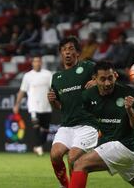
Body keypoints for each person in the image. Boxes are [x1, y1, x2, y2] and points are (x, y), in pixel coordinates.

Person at [69, 61, 134, 188]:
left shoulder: (127, 92)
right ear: (94, 79)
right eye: (102, 79)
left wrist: (130, 110)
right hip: (117, 149)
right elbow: (77, 113)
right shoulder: (88, 95)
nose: (107, 83)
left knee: (80, 164)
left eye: (110, 78)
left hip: (124, 146)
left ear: (115, 75)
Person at [48, 36, 97, 188]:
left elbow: (109, 76)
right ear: (60, 54)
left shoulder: (88, 67)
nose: (67, 52)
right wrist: (53, 101)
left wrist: (97, 81)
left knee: (73, 158)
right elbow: (61, 106)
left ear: (77, 53)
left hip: (87, 124)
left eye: (70, 49)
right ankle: (66, 186)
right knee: (55, 155)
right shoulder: (56, 78)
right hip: (67, 125)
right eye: (63, 50)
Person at [13, 55, 53, 156]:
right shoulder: (28, 76)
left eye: (39, 61)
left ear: (41, 63)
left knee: (45, 130)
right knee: (36, 126)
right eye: (35, 61)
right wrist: (17, 105)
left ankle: (37, 145)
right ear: (32, 63)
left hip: (46, 106)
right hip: (34, 106)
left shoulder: (48, 74)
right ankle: (39, 147)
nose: (37, 63)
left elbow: (53, 89)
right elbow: (22, 91)